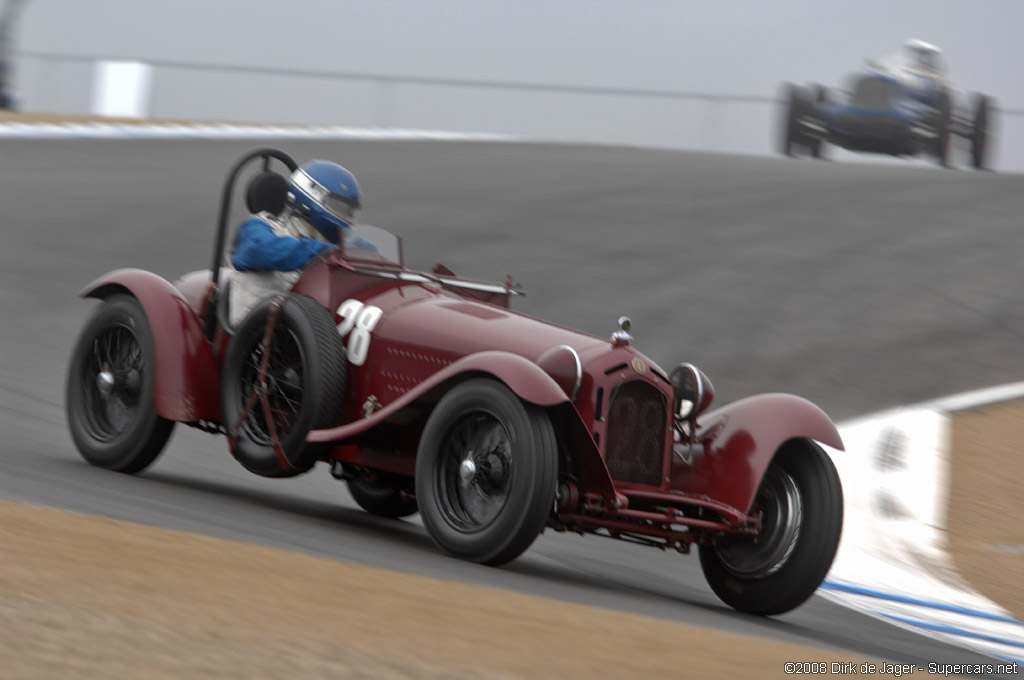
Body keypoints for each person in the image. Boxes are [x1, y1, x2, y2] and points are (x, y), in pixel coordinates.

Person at [228, 159, 361, 327]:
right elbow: (259, 248)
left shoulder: (329, 244)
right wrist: (329, 252)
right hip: (252, 339)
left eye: (348, 212)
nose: (343, 215)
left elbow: (363, 251)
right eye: (338, 208)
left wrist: (370, 255)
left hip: (303, 337)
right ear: (309, 198)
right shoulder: (257, 227)